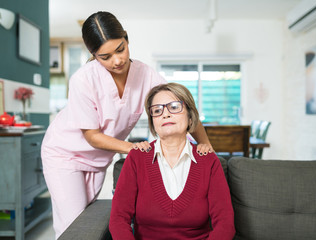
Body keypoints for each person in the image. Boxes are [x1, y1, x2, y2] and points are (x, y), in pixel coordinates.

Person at [41, 12, 213, 239]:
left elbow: (179, 105)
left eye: (120, 49)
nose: (117, 60)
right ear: (93, 55)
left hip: (98, 159)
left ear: (127, 39)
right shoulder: (83, 80)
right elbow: (92, 136)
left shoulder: (145, 74)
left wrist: (206, 143)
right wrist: (132, 148)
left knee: (86, 219)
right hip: (64, 153)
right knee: (73, 226)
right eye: (105, 56)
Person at [109, 83, 235, 240]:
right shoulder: (137, 158)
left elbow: (225, 224)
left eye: (174, 107)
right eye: (157, 110)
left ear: (190, 117)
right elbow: (118, 219)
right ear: (153, 122)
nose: (165, 114)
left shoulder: (208, 161)